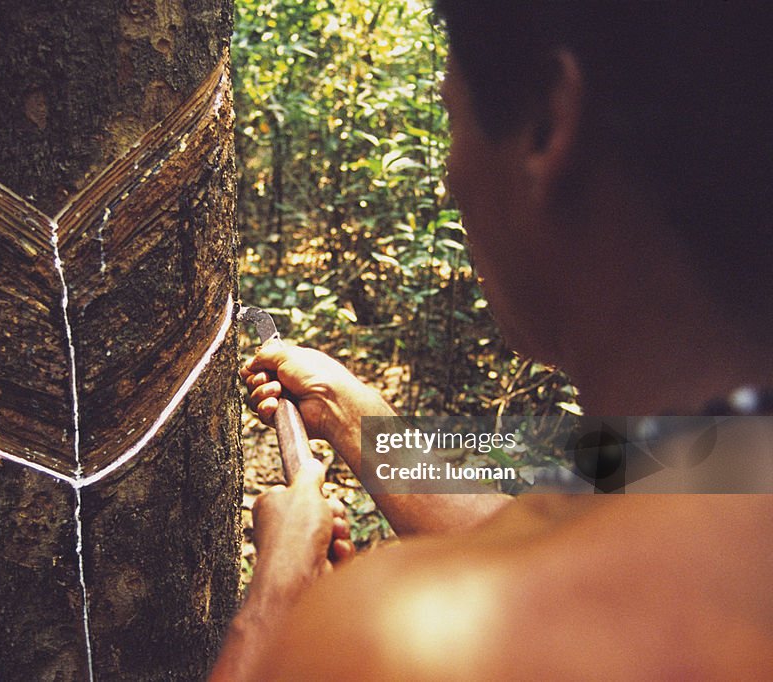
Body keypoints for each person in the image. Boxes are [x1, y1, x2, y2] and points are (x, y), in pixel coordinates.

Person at [210, 2, 773, 679]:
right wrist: (351, 416)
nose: (450, 179)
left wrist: (273, 608)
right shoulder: (722, 465)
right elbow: (577, 533)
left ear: (545, 123)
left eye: (451, 118)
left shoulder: (399, 641)